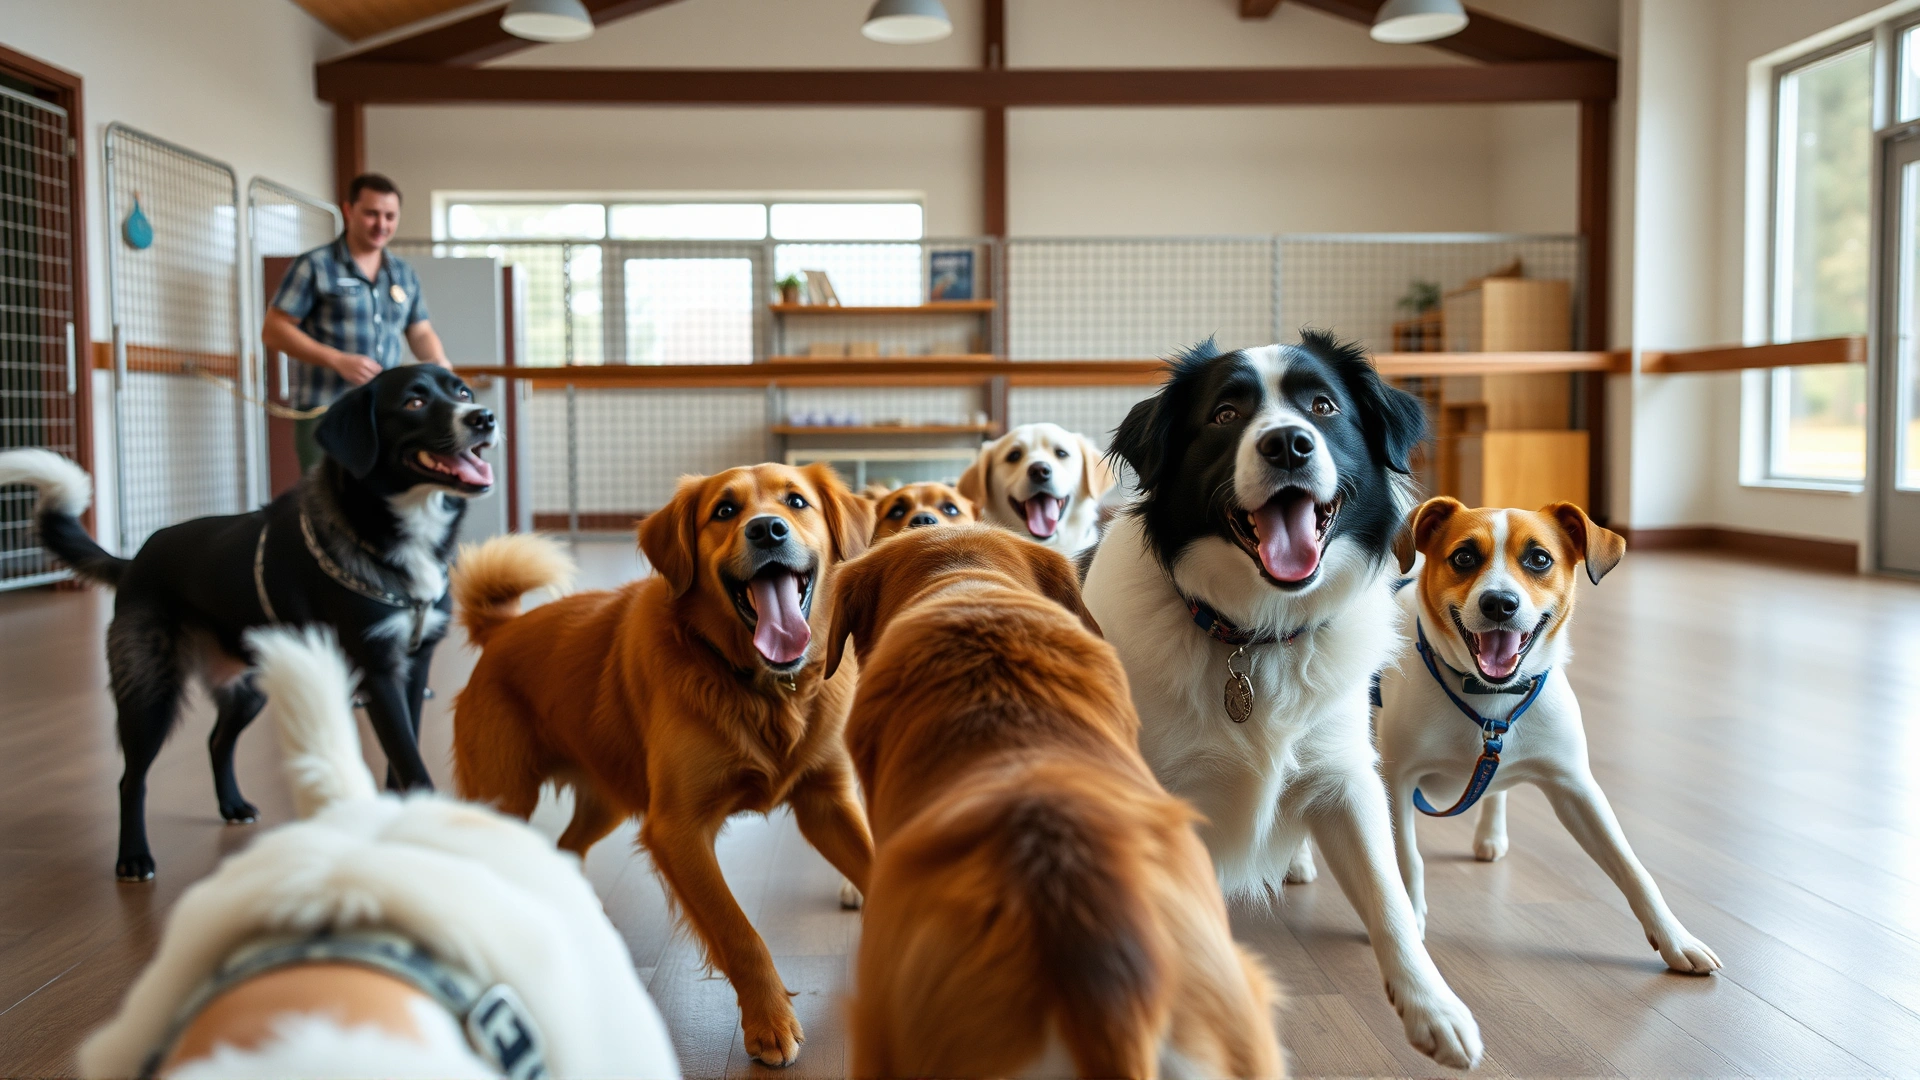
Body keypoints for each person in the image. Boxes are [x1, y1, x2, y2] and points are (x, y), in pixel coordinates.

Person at [263, 173, 452, 470]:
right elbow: (274, 330)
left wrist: (441, 366)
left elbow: (420, 330)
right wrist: (338, 360)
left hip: (385, 414)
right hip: (326, 411)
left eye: (390, 216)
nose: (382, 225)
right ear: (349, 211)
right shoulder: (315, 266)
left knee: (382, 501)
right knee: (325, 502)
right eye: (372, 214)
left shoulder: (403, 273)